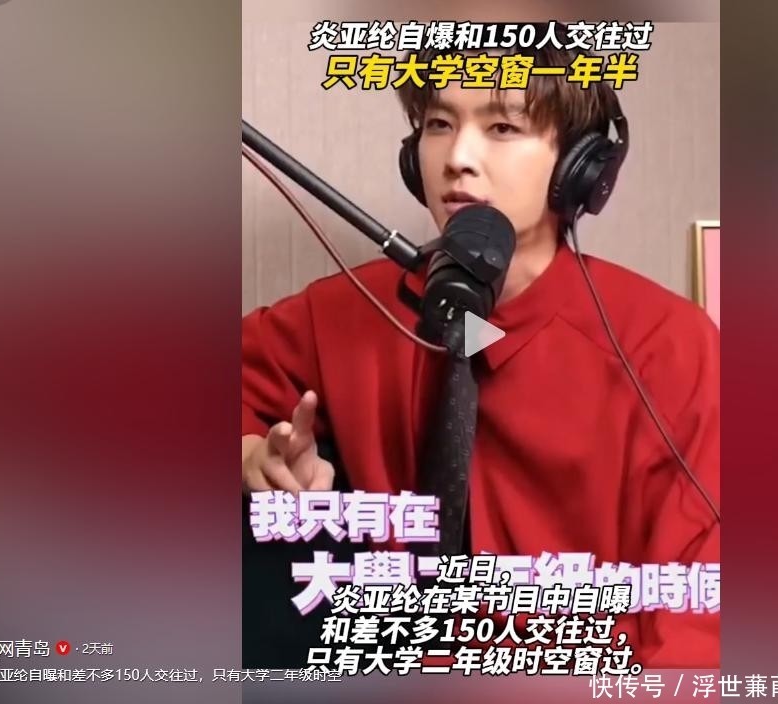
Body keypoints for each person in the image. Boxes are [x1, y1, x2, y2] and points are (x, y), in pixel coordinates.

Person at [241, 34, 719, 668]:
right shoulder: (353, 308)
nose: (458, 159)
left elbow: (700, 619)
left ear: (580, 166)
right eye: (439, 124)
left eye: (502, 127)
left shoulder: (669, 346)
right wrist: (251, 456)